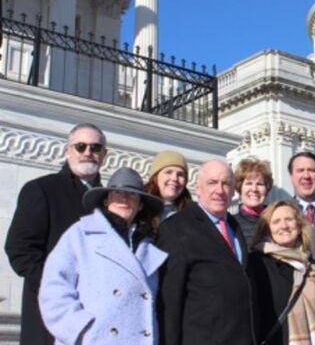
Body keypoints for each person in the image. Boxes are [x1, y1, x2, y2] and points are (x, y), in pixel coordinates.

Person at [5, 123, 108, 345]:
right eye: (80, 146)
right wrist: (55, 289)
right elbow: (20, 249)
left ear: (104, 154)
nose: (88, 153)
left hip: (97, 319)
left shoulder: (109, 202)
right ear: (67, 150)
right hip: (51, 317)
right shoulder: (42, 190)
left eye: (95, 148)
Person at [38, 167, 167, 344]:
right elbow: (53, 289)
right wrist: (81, 329)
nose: (124, 198)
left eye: (132, 194)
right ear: (107, 200)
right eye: (117, 192)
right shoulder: (81, 234)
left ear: (141, 204)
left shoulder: (150, 246)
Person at [157, 159, 255, 345]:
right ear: (198, 188)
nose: (219, 190)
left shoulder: (234, 226)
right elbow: (170, 303)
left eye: (226, 183)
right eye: (212, 183)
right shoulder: (176, 229)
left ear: (234, 191)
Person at [248, 199, 315, 345]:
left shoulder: (314, 269)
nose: (284, 226)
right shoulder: (256, 264)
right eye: (276, 221)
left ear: (300, 225)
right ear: (267, 229)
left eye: (289, 219)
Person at [144, 150, 191, 226]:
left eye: (180, 174)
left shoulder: (191, 214)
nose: (175, 178)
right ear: (155, 177)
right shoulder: (138, 206)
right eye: (168, 172)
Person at [234, 157, 274, 242]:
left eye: (259, 184)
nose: (254, 189)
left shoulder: (277, 220)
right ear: (240, 187)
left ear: (267, 188)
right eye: (249, 183)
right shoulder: (231, 223)